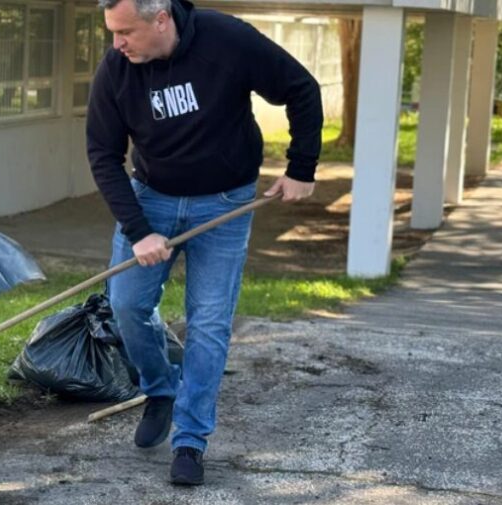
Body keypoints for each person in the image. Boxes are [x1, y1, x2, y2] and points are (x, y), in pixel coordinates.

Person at [85, 0, 322, 486]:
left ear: (162, 19)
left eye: (125, 31)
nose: (117, 44)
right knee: (126, 305)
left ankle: (190, 441)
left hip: (225, 204)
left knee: (209, 323)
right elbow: (103, 155)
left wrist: (302, 167)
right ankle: (159, 390)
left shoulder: (225, 39)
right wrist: (139, 230)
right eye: (112, 32)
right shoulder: (116, 70)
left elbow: (301, 88)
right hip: (152, 200)